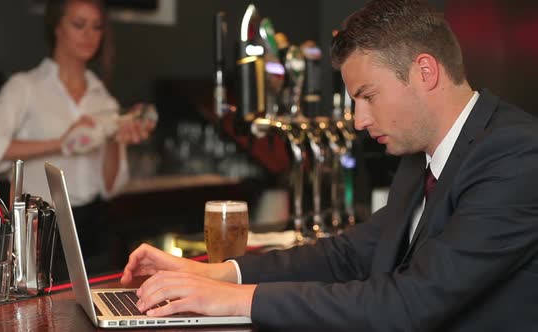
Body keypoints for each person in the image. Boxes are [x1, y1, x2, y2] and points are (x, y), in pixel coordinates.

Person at [121, 0, 538, 330]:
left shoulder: (517, 154)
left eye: (368, 95)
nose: (358, 120)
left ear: (424, 71)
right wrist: (219, 274)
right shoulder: (421, 157)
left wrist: (236, 300)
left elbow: (410, 304)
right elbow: (347, 255)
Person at [0, 0, 154, 278]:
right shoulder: (25, 88)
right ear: (57, 27)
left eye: (97, 27)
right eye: (79, 25)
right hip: (38, 229)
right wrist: (62, 143)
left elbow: (110, 187)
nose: (89, 35)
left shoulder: (104, 101)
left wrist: (116, 141)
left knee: (94, 310)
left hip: (92, 231)